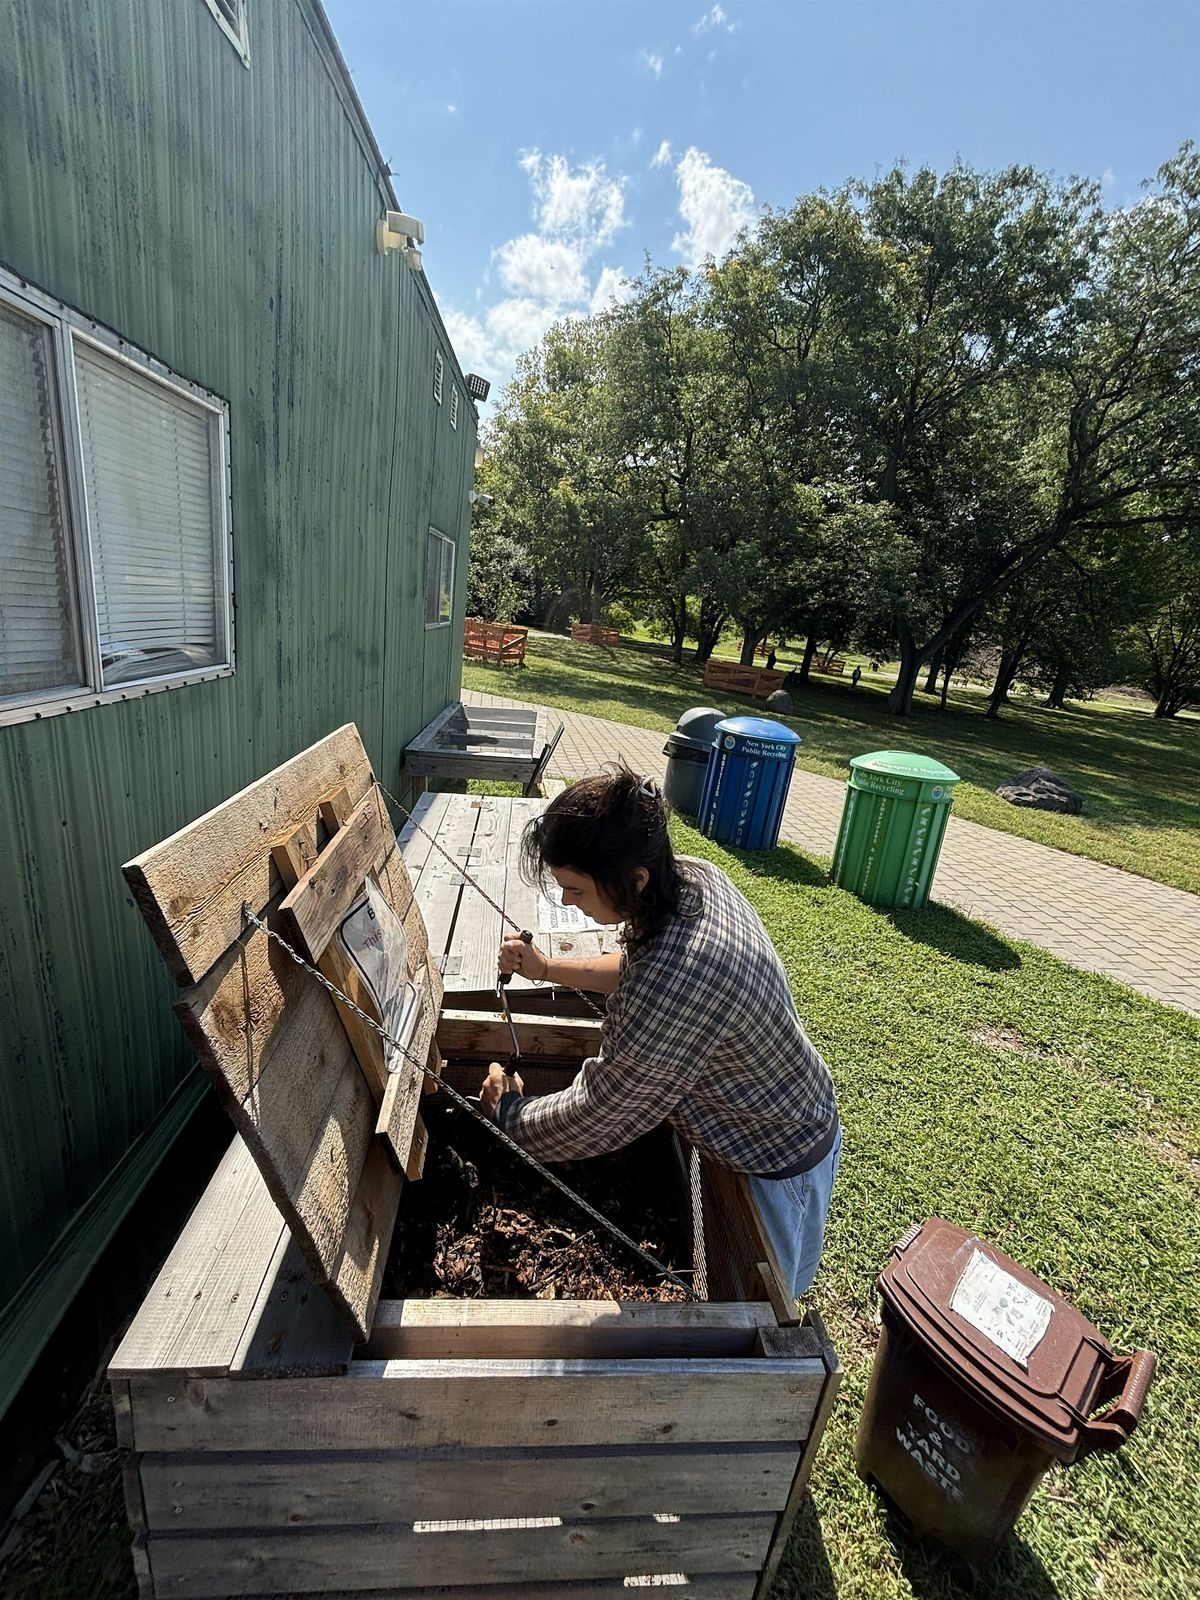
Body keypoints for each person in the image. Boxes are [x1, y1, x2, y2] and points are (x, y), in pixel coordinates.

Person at [479, 767, 840, 1298]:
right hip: (789, 1101)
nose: (566, 902)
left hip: (776, 1159)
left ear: (635, 879)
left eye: (575, 889)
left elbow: (600, 1114)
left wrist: (511, 1115)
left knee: (763, 1308)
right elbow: (635, 962)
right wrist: (547, 967)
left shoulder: (678, 981)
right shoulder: (693, 879)